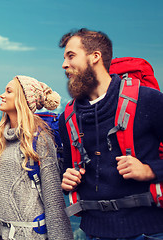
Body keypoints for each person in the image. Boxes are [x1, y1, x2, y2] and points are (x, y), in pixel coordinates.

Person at [59, 28, 163, 239]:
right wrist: (68, 178)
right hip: (94, 232)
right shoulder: (67, 118)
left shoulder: (149, 100)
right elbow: (70, 168)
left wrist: (150, 170)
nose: (64, 65)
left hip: (149, 231)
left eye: (71, 56)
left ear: (95, 56)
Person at [0, 75, 73, 240]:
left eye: (9, 91)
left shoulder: (40, 140)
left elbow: (53, 201)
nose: (2, 95)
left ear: (23, 99)